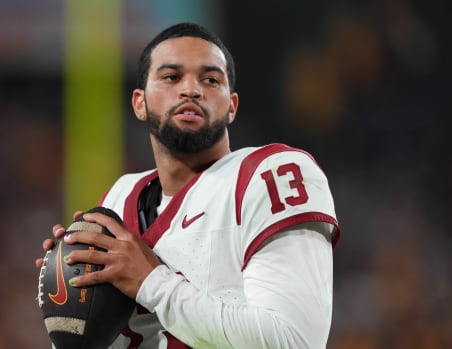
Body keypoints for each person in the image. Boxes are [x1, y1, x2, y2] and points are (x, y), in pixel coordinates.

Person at [35, 22, 340, 348]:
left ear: (232, 106)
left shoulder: (270, 174)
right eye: (171, 77)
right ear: (140, 103)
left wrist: (152, 282)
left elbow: (294, 341)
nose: (191, 90)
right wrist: (71, 307)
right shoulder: (119, 199)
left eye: (210, 80)